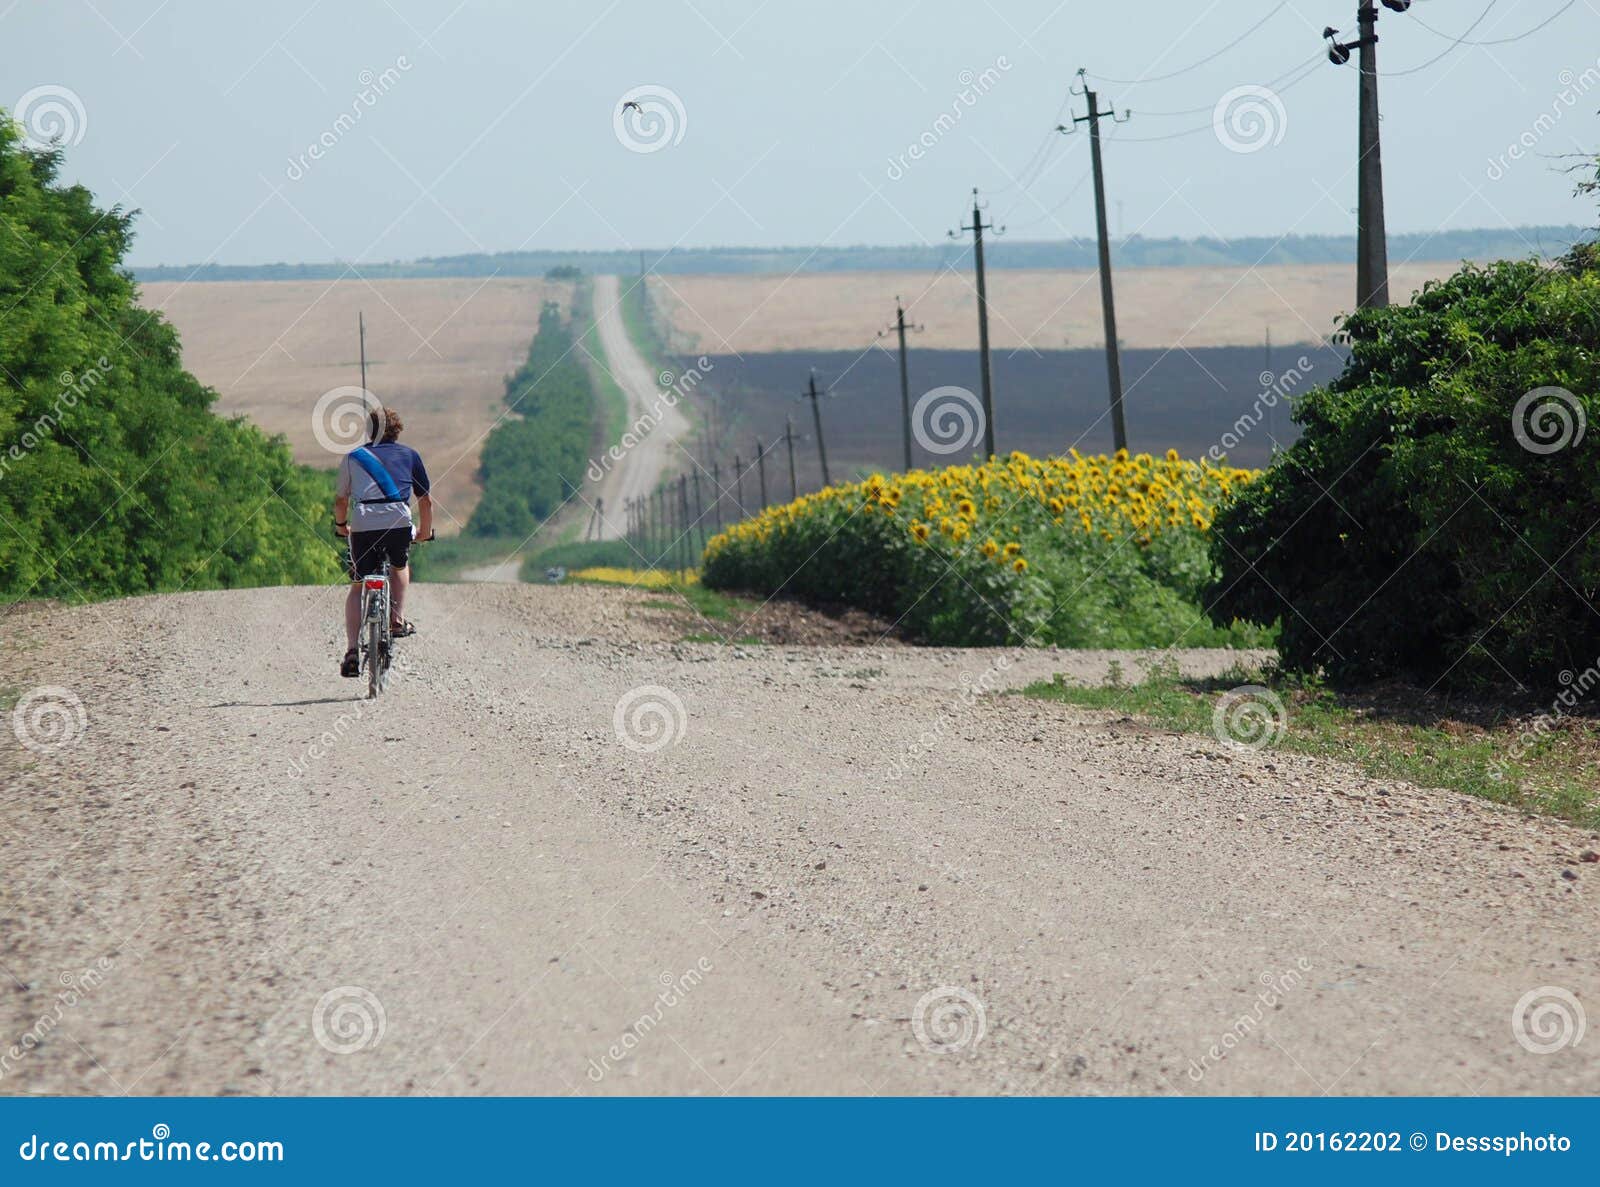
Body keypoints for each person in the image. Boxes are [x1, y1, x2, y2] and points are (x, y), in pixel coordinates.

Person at [333, 408, 433, 677]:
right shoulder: (410, 455)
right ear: (397, 430)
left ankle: (352, 650)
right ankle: (396, 620)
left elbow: (341, 500)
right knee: (399, 566)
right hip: (398, 521)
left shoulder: (353, 457)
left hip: (363, 522)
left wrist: (341, 526)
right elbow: (425, 500)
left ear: (369, 431)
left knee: (358, 585)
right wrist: (424, 531)